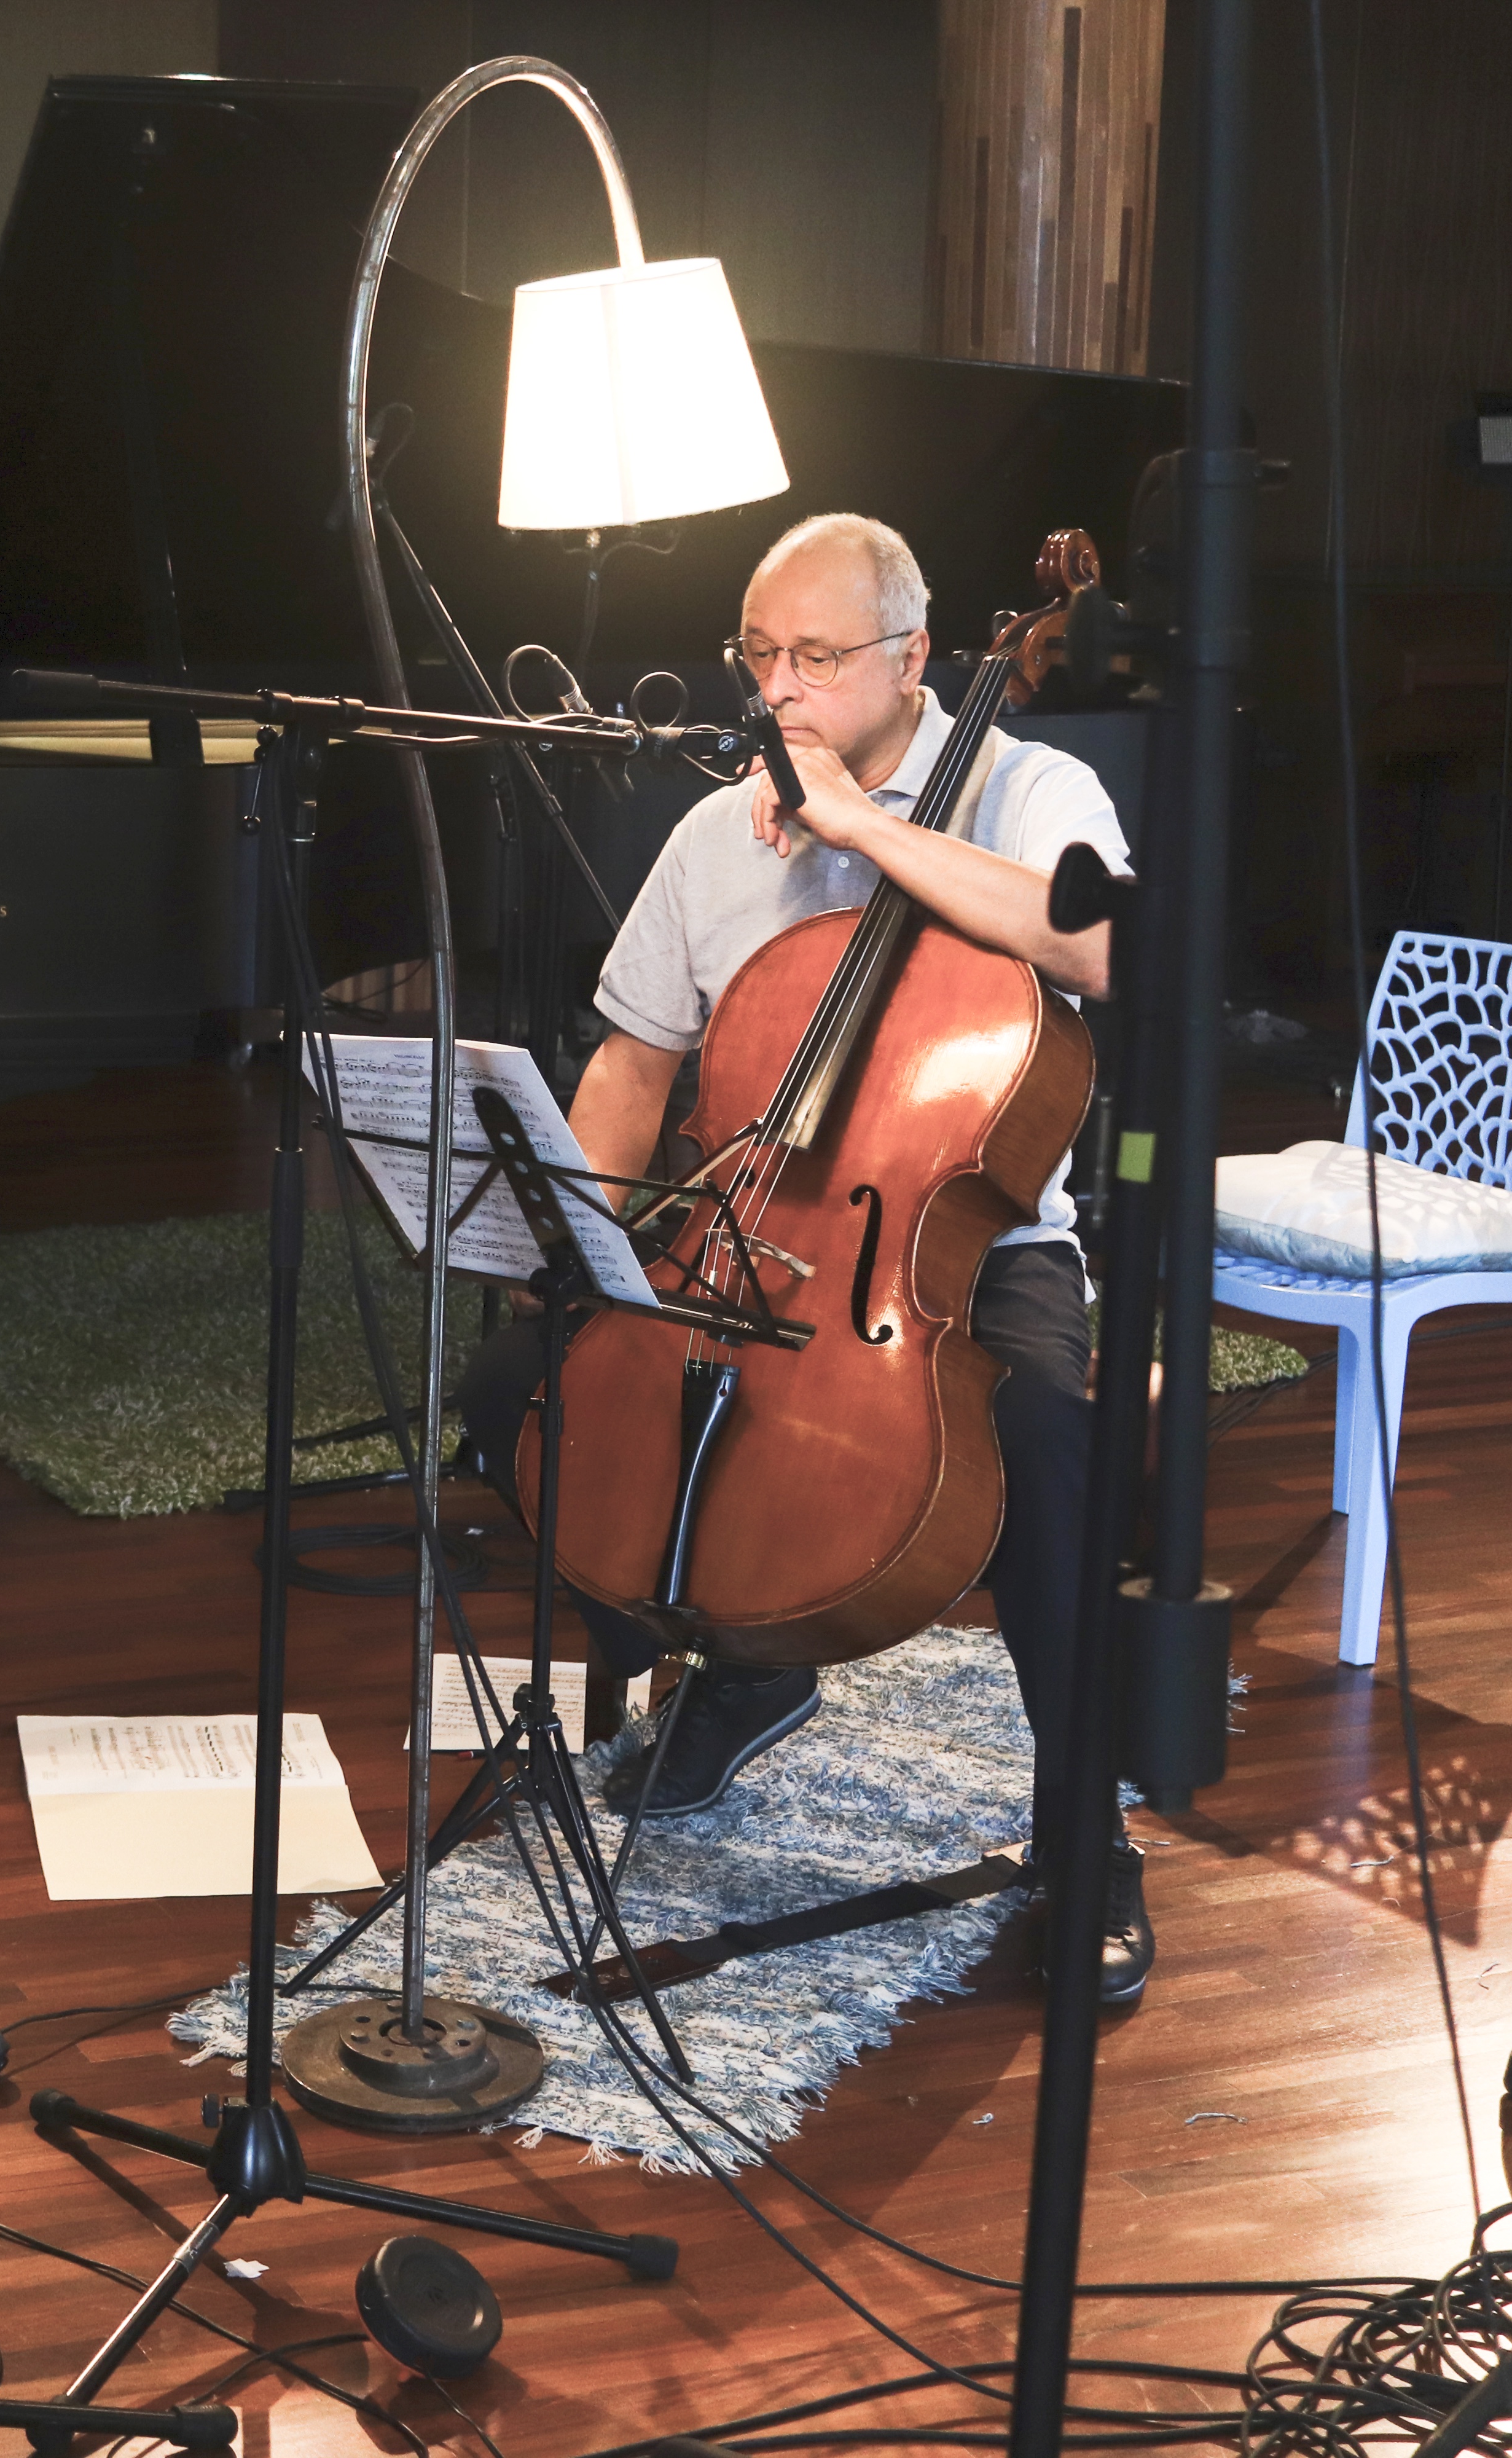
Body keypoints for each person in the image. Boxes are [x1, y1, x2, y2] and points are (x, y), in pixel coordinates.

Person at [461, 511, 1154, 2003]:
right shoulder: (720, 828)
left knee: (1042, 1435)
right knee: (528, 1388)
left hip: (961, 1243)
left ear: (913, 660)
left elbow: (1095, 946)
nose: (780, 689)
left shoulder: (1039, 787)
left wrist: (864, 826)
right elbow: (639, 1063)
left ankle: (1084, 1831)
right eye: (759, 654)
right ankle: (750, 1662)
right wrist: (573, 1231)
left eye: (818, 657)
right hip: (751, 1221)